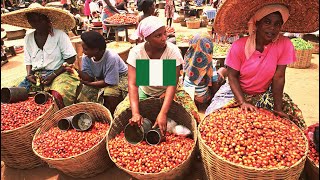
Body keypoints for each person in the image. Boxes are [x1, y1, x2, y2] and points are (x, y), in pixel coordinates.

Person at [205, 3, 316, 129]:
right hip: (235, 92)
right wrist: (242, 102)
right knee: (214, 121)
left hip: (265, 92)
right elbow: (232, 76)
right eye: (267, 22)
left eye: (277, 24)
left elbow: (278, 78)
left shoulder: (285, 44)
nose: (272, 28)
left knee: (294, 123)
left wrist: (278, 107)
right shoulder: (239, 46)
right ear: (257, 23)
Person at [114, 16, 200, 136]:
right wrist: (135, 113)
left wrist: (163, 113)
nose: (164, 38)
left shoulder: (172, 52)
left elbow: (172, 84)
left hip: (170, 89)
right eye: (158, 36)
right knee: (120, 112)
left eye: (165, 33)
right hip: (145, 89)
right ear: (147, 38)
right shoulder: (137, 53)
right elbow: (133, 84)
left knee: (192, 113)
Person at [1, 3, 80, 108]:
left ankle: (60, 117)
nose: (36, 23)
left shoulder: (59, 35)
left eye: (39, 20)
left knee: (58, 96)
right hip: (36, 75)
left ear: (46, 19)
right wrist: (29, 75)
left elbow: (70, 58)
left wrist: (53, 75)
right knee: (14, 96)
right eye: (32, 20)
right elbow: (28, 60)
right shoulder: (28, 38)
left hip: (59, 72)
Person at [66, 31, 128, 115]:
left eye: (86, 49)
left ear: (96, 50)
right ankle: (93, 114)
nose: (83, 52)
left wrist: (88, 83)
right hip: (101, 78)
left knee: (110, 94)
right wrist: (75, 70)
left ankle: (112, 115)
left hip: (119, 78)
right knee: (83, 93)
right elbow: (89, 77)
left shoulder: (111, 57)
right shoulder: (86, 57)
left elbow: (108, 82)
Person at [183, 33, 227, 107]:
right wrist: (214, 95)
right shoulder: (208, 63)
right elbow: (215, 83)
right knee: (222, 70)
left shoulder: (187, 59)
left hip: (188, 94)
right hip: (201, 98)